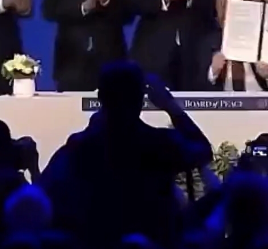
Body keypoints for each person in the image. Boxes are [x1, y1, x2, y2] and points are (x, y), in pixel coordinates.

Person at [40, 62, 213, 249]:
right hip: (154, 239)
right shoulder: (158, 143)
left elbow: (45, 192)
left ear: (101, 97)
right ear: (140, 99)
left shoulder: (81, 145)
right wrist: (170, 106)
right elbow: (202, 150)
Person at [201, 0, 268, 91]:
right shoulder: (209, 44)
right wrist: (213, 72)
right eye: (223, 11)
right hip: (226, 99)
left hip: (259, 97)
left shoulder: (263, 42)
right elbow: (197, 86)